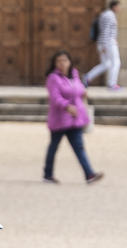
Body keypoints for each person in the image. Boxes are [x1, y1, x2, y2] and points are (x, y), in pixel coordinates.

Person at [43, 50, 104, 184]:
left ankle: (89, 174)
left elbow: (79, 88)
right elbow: (55, 97)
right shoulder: (53, 78)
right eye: (59, 61)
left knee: (79, 146)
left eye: (64, 60)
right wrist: (66, 106)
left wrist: (83, 92)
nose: (62, 63)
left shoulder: (74, 75)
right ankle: (47, 174)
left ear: (69, 62)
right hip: (60, 119)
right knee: (54, 146)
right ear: (54, 64)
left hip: (75, 118)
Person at [84, 0, 121, 90]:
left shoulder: (104, 14)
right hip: (108, 43)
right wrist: (105, 45)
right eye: (119, 6)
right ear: (115, 6)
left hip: (103, 42)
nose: (120, 8)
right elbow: (106, 30)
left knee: (106, 64)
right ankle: (112, 83)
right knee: (116, 62)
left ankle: (88, 76)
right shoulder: (110, 15)